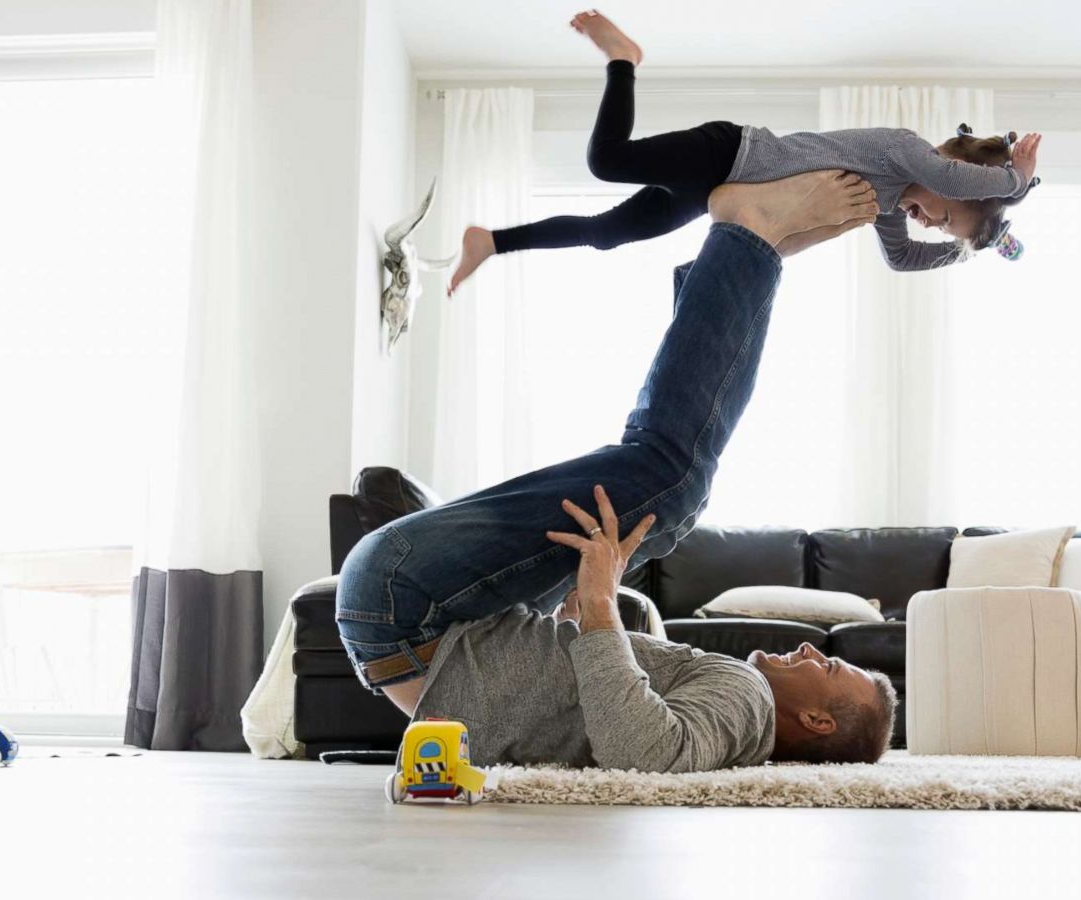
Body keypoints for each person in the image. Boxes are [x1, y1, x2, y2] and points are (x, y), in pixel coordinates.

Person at [337, 171, 896, 773]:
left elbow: (642, 751)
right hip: (419, 622)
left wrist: (602, 604)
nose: (815, 648)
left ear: (818, 721)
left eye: (831, 667)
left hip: (409, 605)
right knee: (663, 517)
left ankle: (748, 241)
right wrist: (577, 615)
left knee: (671, 478)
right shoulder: (740, 715)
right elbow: (564, 705)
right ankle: (749, 253)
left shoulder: (749, 699)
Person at [445, 9, 1042, 296]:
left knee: (606, 234)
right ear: (959, 173)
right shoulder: (903, 153)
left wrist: (968, 253)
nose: (931, 223)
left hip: (710, 194)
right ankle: (623, 58)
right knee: (608, 161)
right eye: (945, 214)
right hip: (730, 151)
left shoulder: (882, 205)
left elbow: (901, 261)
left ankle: (491, 242)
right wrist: (1014, 184)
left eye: (942, 229)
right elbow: (962, 186)